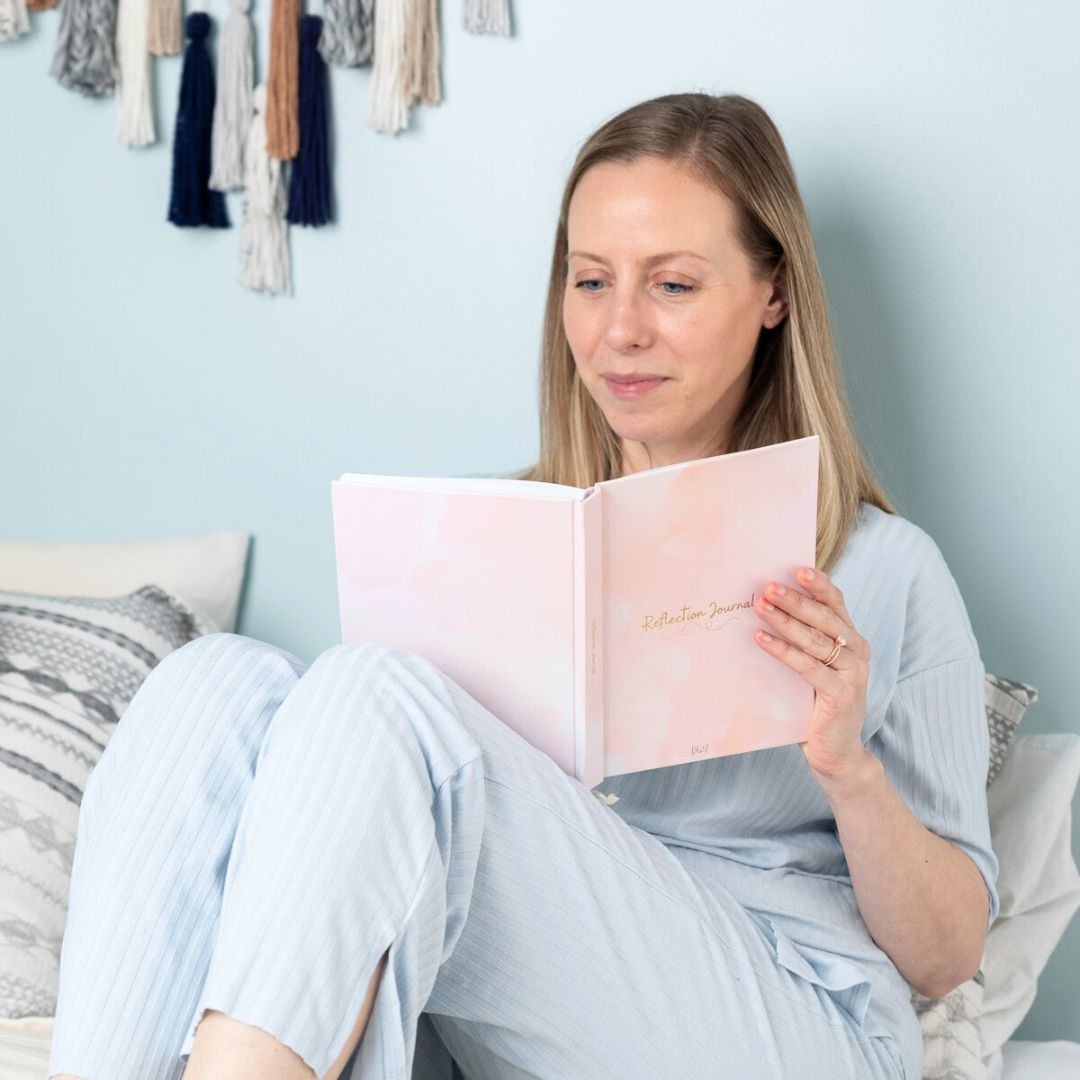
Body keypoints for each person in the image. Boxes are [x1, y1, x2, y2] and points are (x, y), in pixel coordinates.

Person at [47, 92, 997, 1080]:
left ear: (773, 293)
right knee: (217, 682)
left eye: (671, 285)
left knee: (376, 691)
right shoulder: (511, 542)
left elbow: (948, 955)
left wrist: (848, 768)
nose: (619, 330)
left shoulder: (881, 567)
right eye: (591, 281)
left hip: (789, 1022)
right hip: (505, 1020)